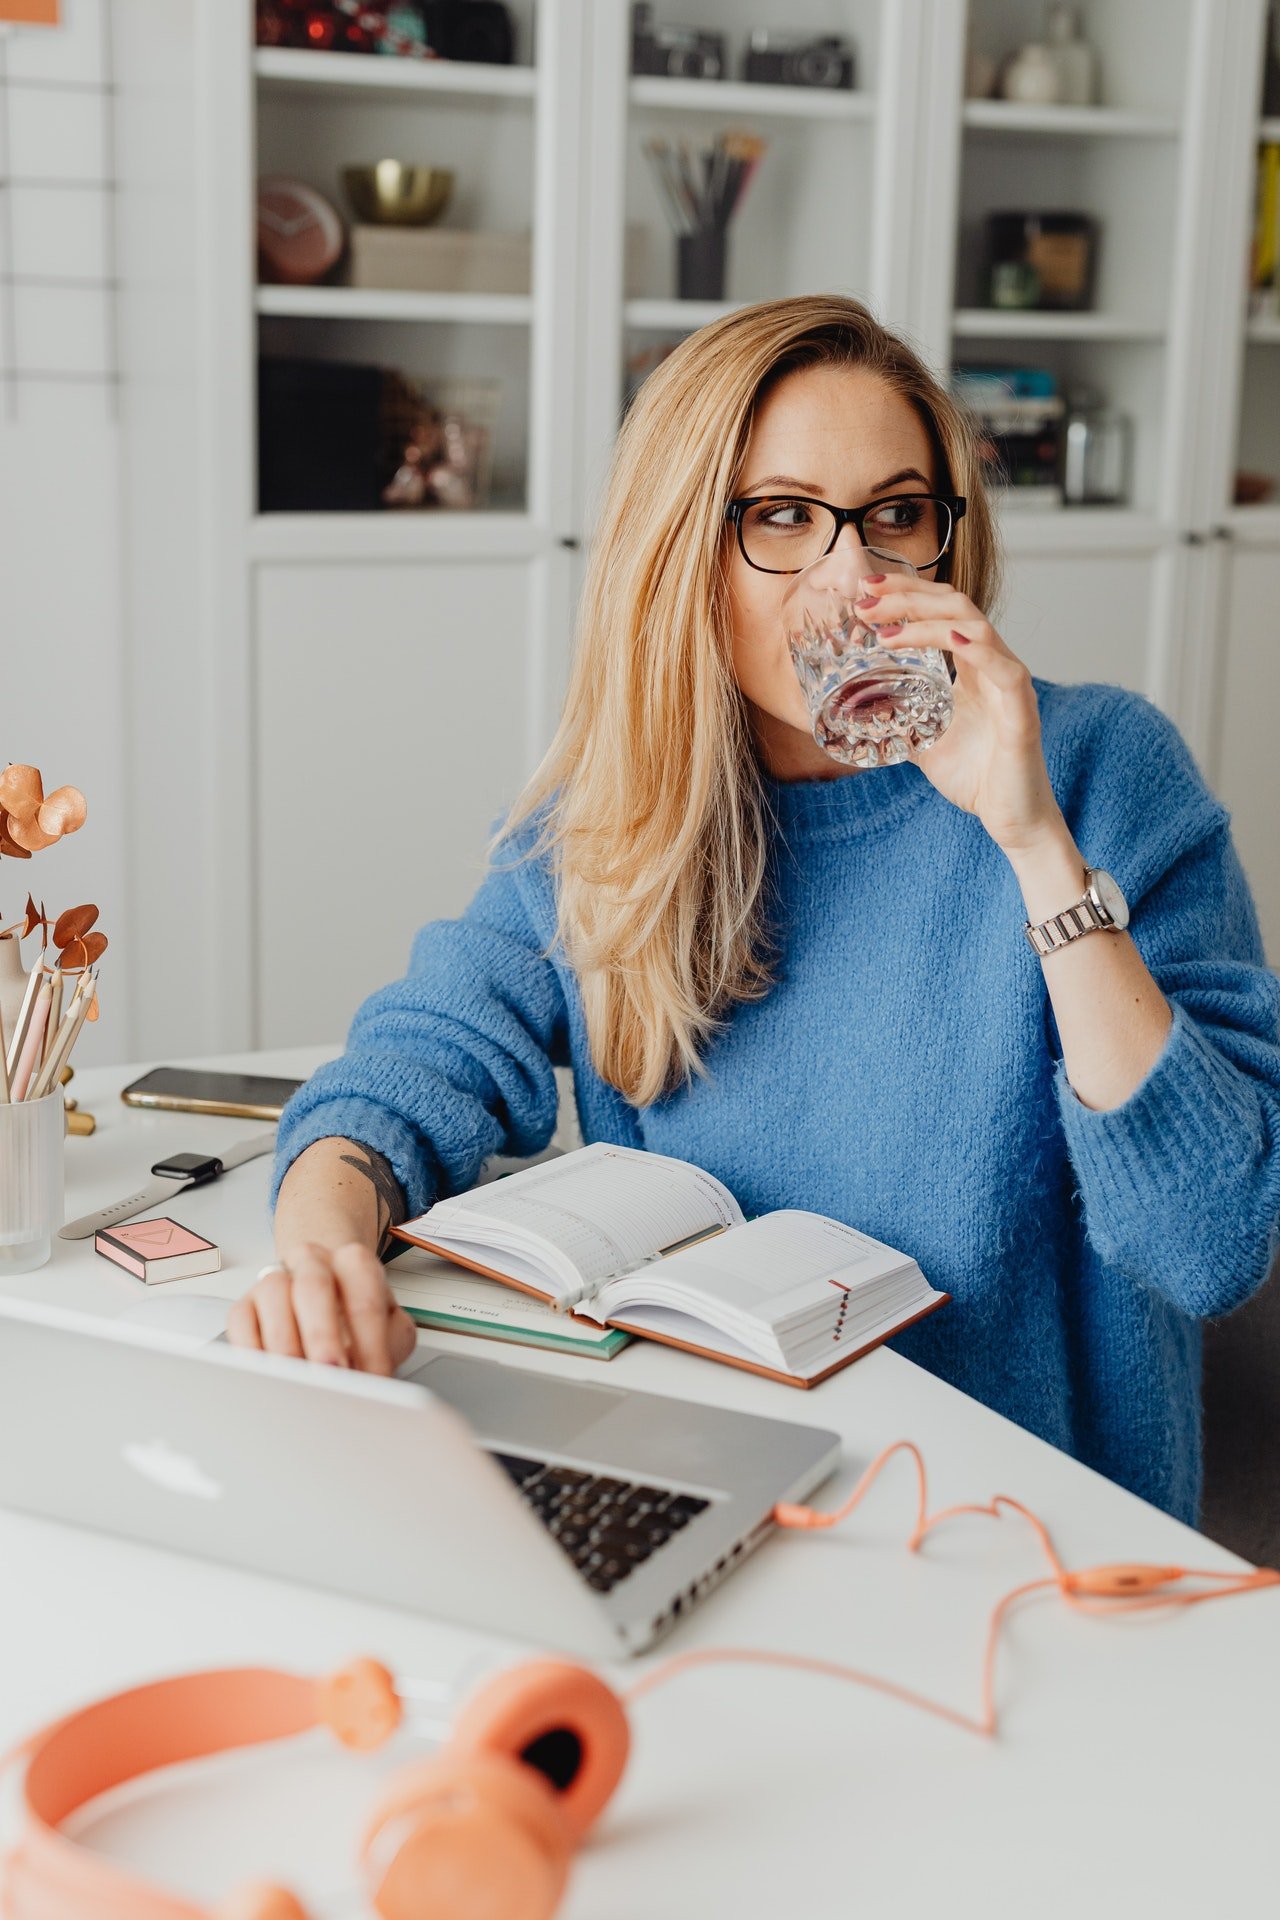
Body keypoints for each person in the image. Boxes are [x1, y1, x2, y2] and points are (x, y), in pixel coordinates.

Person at [230, 294, 1280, 1526]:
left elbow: (1209, 1245)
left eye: (895, 515)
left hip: (1025, 1543)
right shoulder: (614, 822)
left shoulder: (1094, 770)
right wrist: (322, 1247)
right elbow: (411, 1066)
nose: (854, 576)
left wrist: (1031, 842)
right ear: (684, 555)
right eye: (782, 517)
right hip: (723, 1497)